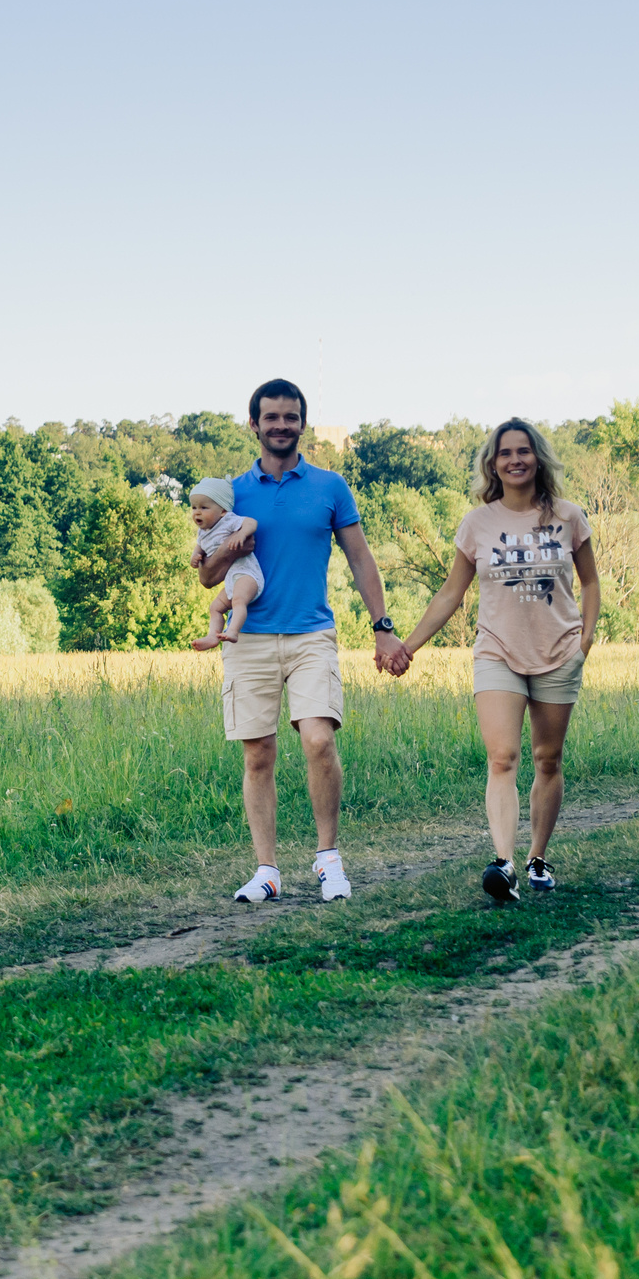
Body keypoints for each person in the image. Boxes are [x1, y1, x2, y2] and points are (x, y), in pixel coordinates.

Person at [197, 378, 408, 903]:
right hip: (247, 638)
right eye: (271, 417)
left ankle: (327, 858)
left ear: (302, 423)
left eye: (291, 417)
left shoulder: (330, 486)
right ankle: (266, 870)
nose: (281, 426)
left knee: (318, 739)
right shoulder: (230, 493)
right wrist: (233, 546)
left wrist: (383, 628)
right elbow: (207, 578)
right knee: (258, 755)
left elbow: (360, 559)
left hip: (312, 631)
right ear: (254, 425)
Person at [392, 418, 599, 904]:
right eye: (505, 453)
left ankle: (537, 858)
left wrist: (584, 642)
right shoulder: (477, 523)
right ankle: (503, 863)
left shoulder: (569, 516)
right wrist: (409, 645)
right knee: (502, 757)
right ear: (493, 463)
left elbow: (590, 582)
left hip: (558, 652)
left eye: (523, 451)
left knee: (548, 759)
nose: (515, 460)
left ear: (538, 457)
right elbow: (450, 593)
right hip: (496, 651)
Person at [185, 478, 261, 649]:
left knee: (238, 600)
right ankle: (213, 636)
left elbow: (251, 523)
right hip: (231, 581)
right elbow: (200, 547)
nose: (197, 512)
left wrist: (241, 535)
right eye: (194, 507)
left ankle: (233, 630)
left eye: (204, 508)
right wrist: (195, 556)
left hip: (248, 575)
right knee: (216, 608)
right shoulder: (203, 533)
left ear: (222, 510)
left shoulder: (228, 521)